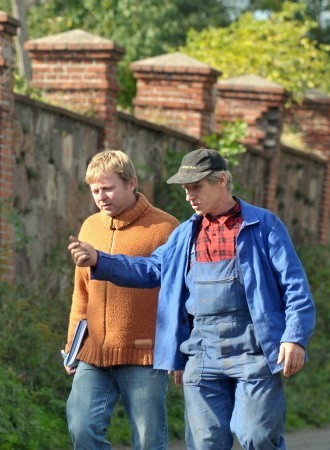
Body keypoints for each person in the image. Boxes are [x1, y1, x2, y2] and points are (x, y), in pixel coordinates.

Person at [69, 148, 316, 450]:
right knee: (205, 442)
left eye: (196, 187)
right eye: (186, 189)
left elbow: (294, 285)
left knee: (257, 435)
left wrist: (294, 337)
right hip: (201, 350)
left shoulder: (263, 226)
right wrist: (100, 260)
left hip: (253, 349)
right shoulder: (186, 233)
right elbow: (152, 268)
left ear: (222, 180)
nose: (189, 196)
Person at [64, 150, 179, 450]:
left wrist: (178, 348)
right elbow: (81, 291)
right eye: (95, 191)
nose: (102, 197)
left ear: (131, 183)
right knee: (81, 429)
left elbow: (177, 295)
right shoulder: (89, 226)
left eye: (108, 188)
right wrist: (71, 346)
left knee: (148, 441)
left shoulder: (166, 228)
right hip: (94, 353)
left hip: (143, 355)